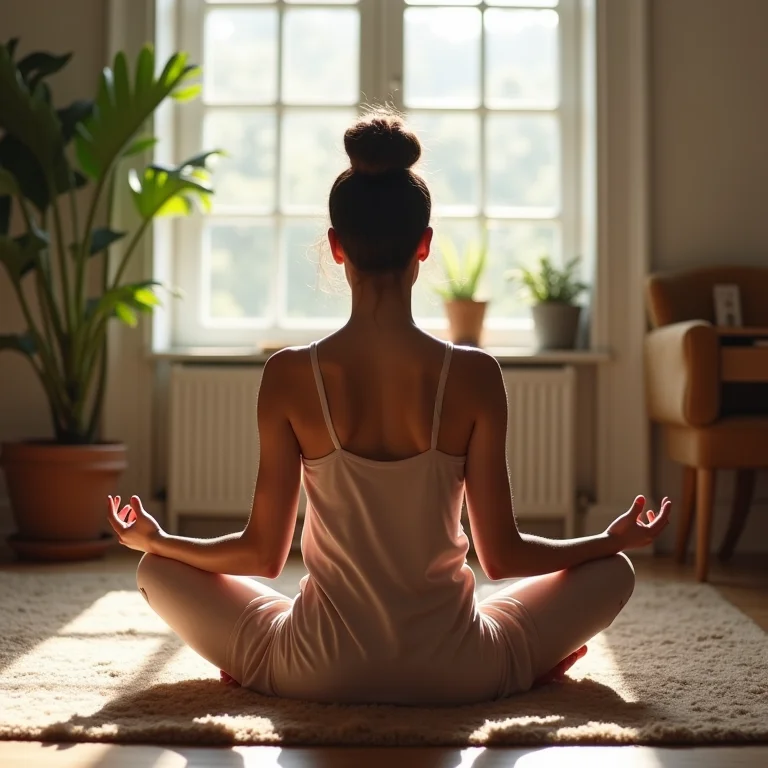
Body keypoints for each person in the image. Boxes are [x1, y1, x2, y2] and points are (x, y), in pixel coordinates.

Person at [108, 109, 671, 706]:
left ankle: (259, 668)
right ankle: (518, 668)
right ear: (424, 246)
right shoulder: (476, 375)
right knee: (614, 573)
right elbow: (503, 557)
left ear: (335, 246)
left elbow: (262, 556)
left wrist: (159, 539)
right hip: (461, 673)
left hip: (314, 671)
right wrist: (607, 540)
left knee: (156, 572)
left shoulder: (289, 375)